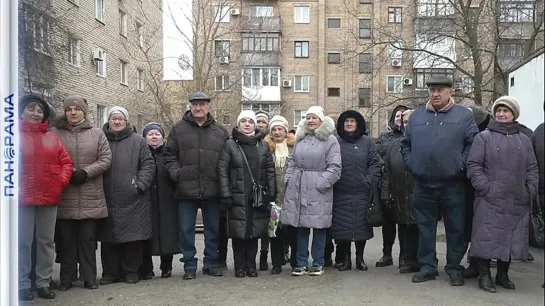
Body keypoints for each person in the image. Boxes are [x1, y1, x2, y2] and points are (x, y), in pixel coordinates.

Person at [401, 76, 479, 285]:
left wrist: (459, 166)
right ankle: (428, 267)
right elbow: (405, 145)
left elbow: (472, 145)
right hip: (423, 184)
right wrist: (412, 164)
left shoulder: (463, 116)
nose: (435, 94)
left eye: (440, 90)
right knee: (425, 229)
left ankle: (454, 267)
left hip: (453, 185)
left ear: (450, 92)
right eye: (432, 90)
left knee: (456, 229)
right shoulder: (417, 116)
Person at [466, 96, 539, 293]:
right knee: (486, 236)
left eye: (506, 110)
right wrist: (486, 188)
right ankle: (484, 275)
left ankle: (503, 274)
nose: (501, 114)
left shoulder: (524, 140)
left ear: (513, 114)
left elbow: (532, 168)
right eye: (498, 110)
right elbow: (473, 166)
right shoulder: (484, 137)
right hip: (489, 198)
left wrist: (530, 189)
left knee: (510, 237)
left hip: (517, 199)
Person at [164, 92, 229, 279]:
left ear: (209, 107)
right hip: (186, 189)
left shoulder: (220, 131)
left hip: (212, 188)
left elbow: (226, 159)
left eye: (202, 105)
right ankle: (189, 266)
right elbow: (169, 156)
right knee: (186, 231)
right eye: (195, 105)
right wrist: (177, 174)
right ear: (190, 106)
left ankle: (211, 263)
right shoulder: (178, 129)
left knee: (213, 230)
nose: (198, 108)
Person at [52, 95, 112, 290]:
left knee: (87, 240)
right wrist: (66, 173)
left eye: (77, 109)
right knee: (66, 240)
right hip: (65, 194)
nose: (73, 112)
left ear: (84, 112)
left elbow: (105, 159)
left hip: (90, 195)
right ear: (65, 112)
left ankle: (89, 277)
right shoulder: (55, 133)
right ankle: (67, 278)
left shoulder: (96, 134)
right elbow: (50, 159)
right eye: (69, 109)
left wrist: (86, 172)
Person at [18, 95, 73, 300]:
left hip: (49, 196)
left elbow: (66, 163)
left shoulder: (52, 137)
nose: (35, 113)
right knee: (22, 242)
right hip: (20, 199)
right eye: (31, 109)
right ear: (22, 111)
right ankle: (22, 283)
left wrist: (60, 181)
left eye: (40, 110)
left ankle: (43, 282)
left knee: (46, 242)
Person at [281, 106, 342, 276]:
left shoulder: (330, 141)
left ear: (321, 120)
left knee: (319, 227)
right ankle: (300, 263)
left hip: (319, 190)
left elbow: (335, 168)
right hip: (298, 187)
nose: (310, 121)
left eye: (314, 117)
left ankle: (318, 262)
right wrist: (289, 178)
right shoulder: (301, 139)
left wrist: (320, 183)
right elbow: (292, 161)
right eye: (308, 118)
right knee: (301, 227)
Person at [99, 106, 155, 285]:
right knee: (108, 238)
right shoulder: (101, 139)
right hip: (106, 196)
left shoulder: (138, 141)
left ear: (126, 121)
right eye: (113, 118)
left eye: (120, 119)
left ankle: (131, 271)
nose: (116, 121)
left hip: (134, 198)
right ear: (109, 120)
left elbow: (148, 164)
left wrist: (139, 185)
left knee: (133, 238)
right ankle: (110, 272)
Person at [218, 110, 276, 278]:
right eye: (243, 121)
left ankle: (251, 266)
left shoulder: (262, 145)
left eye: (250, 121)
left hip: (257, 196)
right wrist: (226, 194)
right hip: (237, 195)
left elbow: (270, 170)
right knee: (238, 233)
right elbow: (222, 170)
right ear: (239, 124)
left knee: (254, 232)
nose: (247, 124)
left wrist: (271, 192)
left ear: (255, 124)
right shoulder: (230, 144)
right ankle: (239, 267)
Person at [331, 110, 381, 272]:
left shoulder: (366, 142)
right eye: (346, 121)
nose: (349, 124)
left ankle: (360, 259)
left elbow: (375, 163)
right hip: (341, 192)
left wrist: (368, 180)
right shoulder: (335, 142)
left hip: (362, 192)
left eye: (352, 121)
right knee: (343, 229)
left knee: (361, 228)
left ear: (358, 124)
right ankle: (346, 260)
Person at [381, 109, 421, 274]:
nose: (406, 124)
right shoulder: (394, 144)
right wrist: (386, 194)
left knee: (419, 227)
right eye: (404, 122)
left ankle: (423, 259)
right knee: (404, 227)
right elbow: (387, 172)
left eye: (409, 121)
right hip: (399, 192)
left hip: (419, 192)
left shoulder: (424, 141)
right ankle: (406, 259)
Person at [138, 123, 180, 279]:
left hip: (168, 200)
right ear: (144, 137)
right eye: (150, 134)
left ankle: (166, 267)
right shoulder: (141, 153)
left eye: (157, 134)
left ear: (163, 137)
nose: (154, 136)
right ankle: (146, 269)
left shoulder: (169, 154)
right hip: (146, 201)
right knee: (147, 235)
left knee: (167, 233)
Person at [376, 105, 409, 267]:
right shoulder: (386, 136)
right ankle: (386, 254)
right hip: (387, 182)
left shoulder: (410, 136)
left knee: (403, 223)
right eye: (397, 116)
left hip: (404, 185)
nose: (399, 119)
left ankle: (404, 255)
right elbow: (378, 156)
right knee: (388, 223)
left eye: (402, 116)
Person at [264, 115, 297, 273]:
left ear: (286, 130)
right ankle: (277, 263)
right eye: (274, 129)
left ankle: (296, 262)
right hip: (274, 198)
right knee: (274, 232)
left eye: (280, 129)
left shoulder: (294, 147)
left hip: (291, 198)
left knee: (293, 232)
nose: (277, 132)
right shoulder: (266, 149)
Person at [462, 105, 492, 279]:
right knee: (469, 226)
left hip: (481, 187)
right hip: (467, 186)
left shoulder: (486, 135)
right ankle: (474, 264)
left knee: (480, 227)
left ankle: (478, 265)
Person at [255, 109, 271, 270]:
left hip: (269, 187)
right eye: (258, 121)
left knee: (269, 225)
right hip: (254, 187)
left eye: (263, 122)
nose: (260, 125)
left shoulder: (273, 140)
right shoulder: (250, 140)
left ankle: (264, 255)